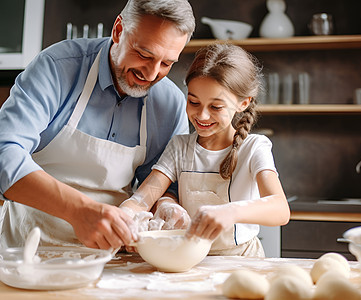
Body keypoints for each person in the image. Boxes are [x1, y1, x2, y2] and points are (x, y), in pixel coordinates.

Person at [0, 0, 195, 250]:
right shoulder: (58, 68)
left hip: (113, 261)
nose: (151, 73)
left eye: (167, 63)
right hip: (29, 253)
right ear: (118, 30)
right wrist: (79, 211)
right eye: (144, 54)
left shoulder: (170, 104)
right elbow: (0, 156)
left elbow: (162, 183)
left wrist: (167, 205)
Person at [120, 43, 290, 257]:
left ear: (243, 103)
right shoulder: (180, 147)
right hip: (190, 258)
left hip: (242, 259)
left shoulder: (254, 147)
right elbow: (144, 198)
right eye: (193, 102)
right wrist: (125, 216)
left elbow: (280, 209)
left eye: (215, 107)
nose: (202, 115)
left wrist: (231, 212)